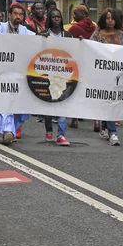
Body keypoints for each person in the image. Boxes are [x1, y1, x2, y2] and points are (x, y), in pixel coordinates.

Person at [0, 2, 36, 144]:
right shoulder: (1, 28)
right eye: (15, 14)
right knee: (5, 103)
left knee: (18, 106)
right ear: (9, 15)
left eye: (20, 14)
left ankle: (11, 129)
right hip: (3, 74)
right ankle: (7, 130)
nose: (18, 17)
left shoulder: (26, 32)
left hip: (20, 76)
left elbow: (37, 43)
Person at [90, 8, 123, 145]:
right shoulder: (97, 35)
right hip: (102, 74)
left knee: (112, 102)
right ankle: (113, 133)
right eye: (107, 18)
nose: (110, 20)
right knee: (108, 100)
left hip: (117, 74)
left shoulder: (122, 35)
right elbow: (90, 50)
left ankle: (105, 126)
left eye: (112, 18)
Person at [41, 9, 73, 146]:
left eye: (58, 16)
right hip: (48, 74)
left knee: (62, 104)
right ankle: (49, 129)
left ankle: (61, 134)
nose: (56, 19)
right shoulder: (45, 34)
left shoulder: (67, 35)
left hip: (63, 74)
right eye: (53, 17)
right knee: (49, 104)